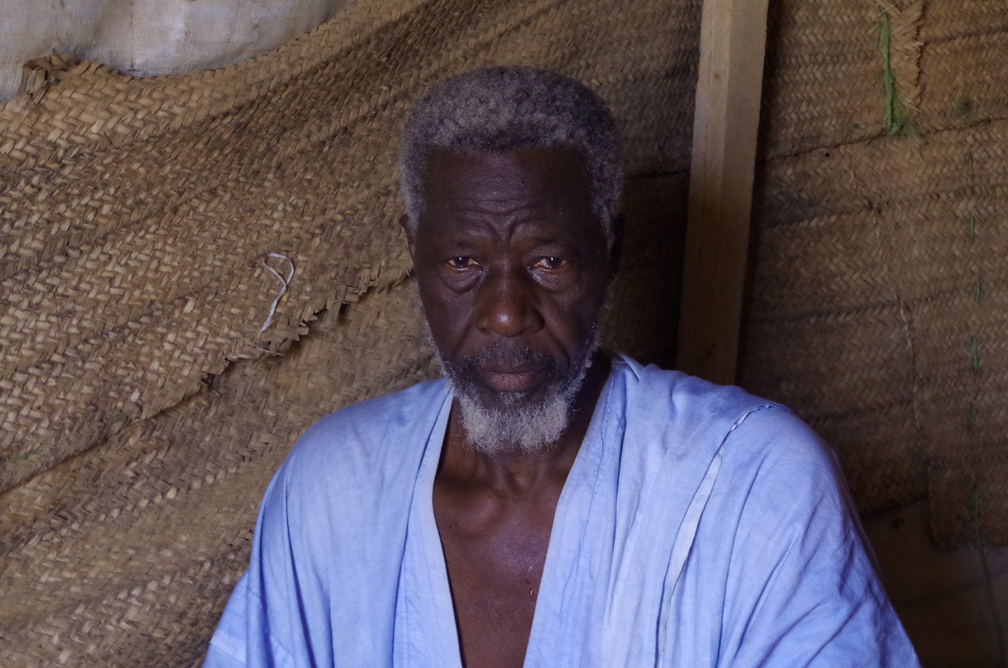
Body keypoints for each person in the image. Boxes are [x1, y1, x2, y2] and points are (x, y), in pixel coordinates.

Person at [204, 66, 919, 668]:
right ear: (412, 254)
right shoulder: (333, 489)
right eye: (463, 262)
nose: (507, 313)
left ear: (612, 252)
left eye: (549, 261)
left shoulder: (752, 482)